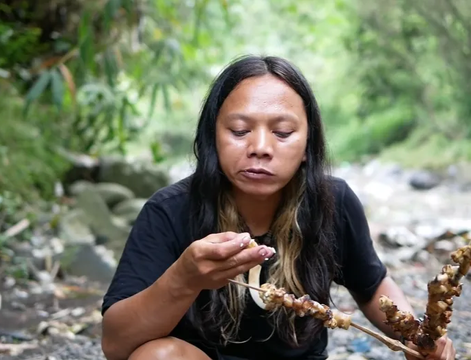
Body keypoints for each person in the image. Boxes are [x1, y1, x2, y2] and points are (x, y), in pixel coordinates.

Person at [100, 55, 456, 360]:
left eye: (282, 133)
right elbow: (116, 345)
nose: (260, 147)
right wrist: (183, 279)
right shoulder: (170, 211)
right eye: (239, 131)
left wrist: (418, 336)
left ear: (307, 145)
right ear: (212, 137)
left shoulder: (333, 203)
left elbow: (373, 285)